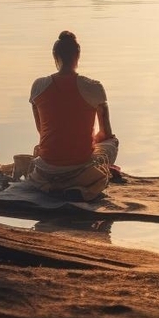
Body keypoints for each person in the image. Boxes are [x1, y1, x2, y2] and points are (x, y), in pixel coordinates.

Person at [28, 30, 118, 200]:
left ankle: (53, 185)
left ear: (55, 55)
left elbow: (42, 131)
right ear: (78, 54)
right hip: (79, 169)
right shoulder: (93, 87)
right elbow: (105, 133)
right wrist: (91, 140)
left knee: (42, 147)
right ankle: (80, 187)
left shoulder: (38, 86)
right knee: (112, 142)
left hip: (46, 168)